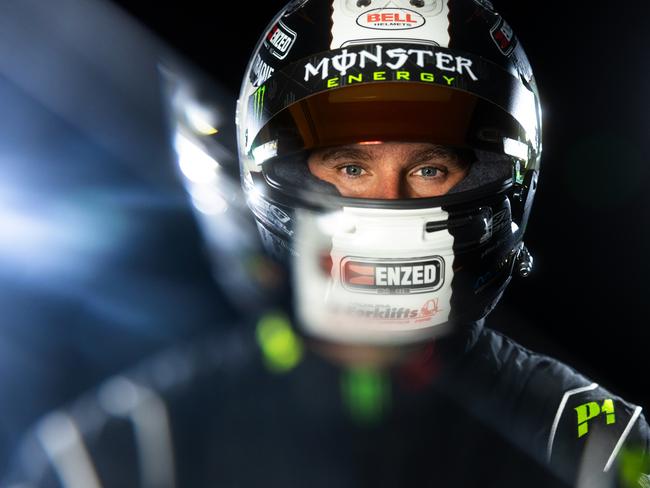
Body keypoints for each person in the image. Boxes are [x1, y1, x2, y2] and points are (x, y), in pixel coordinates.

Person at [4, 1, 649, 487]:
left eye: (429, 170)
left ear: (494, 183)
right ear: (277, 180)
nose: (386, 203)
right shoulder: (112, 458)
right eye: (350, 168)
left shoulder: (601, 446)